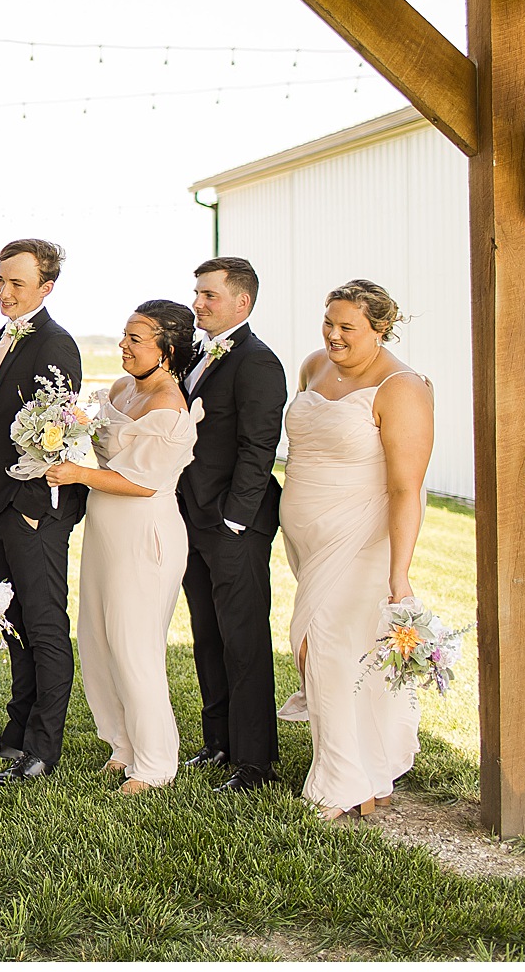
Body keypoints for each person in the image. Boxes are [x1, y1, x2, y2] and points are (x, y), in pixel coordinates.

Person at [280, 280, 434, 820]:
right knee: (346, 654)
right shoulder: (312, 366)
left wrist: (400, 575)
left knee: (320, 651)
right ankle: (373, 771)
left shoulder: (402, 387)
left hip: (362, 537)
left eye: (348, 327)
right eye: (329, 323)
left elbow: (406, 488)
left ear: (381, 328)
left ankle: (342, 782)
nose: (334, 335)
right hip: (309, 539)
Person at [47, 301, 201, 795]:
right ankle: (123, 743)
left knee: (135, 648)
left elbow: (143, 483)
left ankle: (155, 764)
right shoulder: (120, 389)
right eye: (125, 336)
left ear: (167, 350)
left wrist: (77, 474)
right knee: (99, 640)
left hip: (144, 534)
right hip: (105, 532)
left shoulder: (169, 408)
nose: (123, 346)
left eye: (136, 339)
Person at [0, 238, 88, 784]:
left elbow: (58, 433)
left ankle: (42, 748)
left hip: (33, 510)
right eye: (0, 279)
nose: (4, 291)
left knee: (44, 626)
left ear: (46, 287)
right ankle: (15, 733)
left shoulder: (56, 344)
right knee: (13, 621)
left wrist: (34, 508)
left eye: (17, 283)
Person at [178, 257, 290, 794]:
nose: (197, 303)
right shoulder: (196, 354)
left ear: (241, 302)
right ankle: (218, 741)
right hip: (190, 517)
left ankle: (254, 761)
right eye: (197, 293)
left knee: (243, 641)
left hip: (233, 525)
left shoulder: (258, 362)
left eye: (209, 295)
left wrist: (234, 520)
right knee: (207, 635)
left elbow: (258, 447)